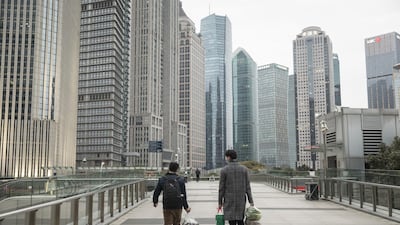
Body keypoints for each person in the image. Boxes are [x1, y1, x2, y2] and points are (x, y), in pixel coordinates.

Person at [218, 150, 254, 225]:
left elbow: (221, 188)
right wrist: (251, 201)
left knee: (231, 221)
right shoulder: (244, 169)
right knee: (240, 220)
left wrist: (220, 202)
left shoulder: (224, 170)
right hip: (240, 199)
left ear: (228, 157)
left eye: (226, 157)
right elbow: (248, 187)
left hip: (229, 199)